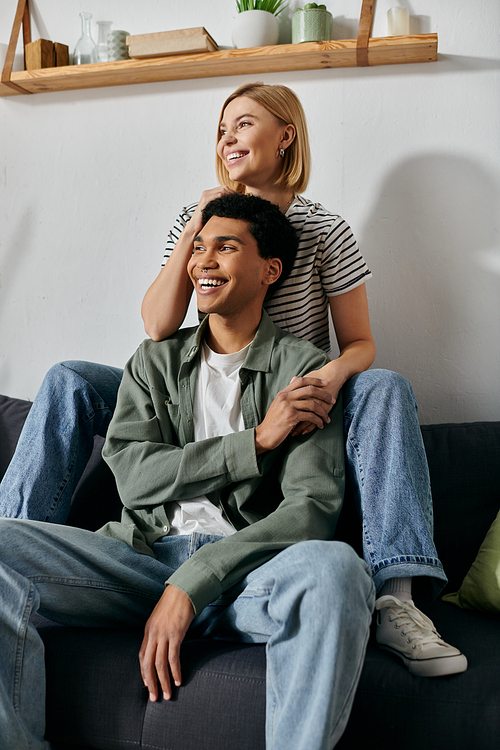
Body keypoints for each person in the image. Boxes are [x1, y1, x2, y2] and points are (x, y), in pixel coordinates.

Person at [0, 81, 466, 677]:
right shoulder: (203, 223)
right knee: (68, 378)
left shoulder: (325, 229)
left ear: (286, 136)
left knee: (385, 385)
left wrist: (327, 379)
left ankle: (398, 599)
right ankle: (19, 550)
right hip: (193, 380)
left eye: (243, 124)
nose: (228, 138)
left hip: (287, 390)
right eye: (222, 129)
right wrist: (199, 222)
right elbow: (158, 324)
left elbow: (360, 344)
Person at [0, 193, 375, 750]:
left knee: (337, 569)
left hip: (246, 575)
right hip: (139, 561)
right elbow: (131, 475)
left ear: (270, 270)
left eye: (225, 247)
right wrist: (255, 442)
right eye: (198, 247)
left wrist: (192, 584)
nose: (202, 261)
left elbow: (311, 508)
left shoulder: (305, 371)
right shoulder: (152, 361)